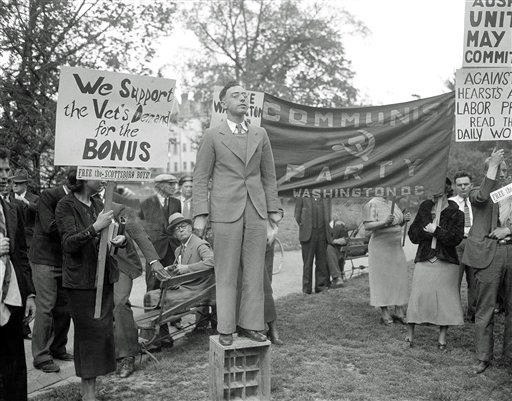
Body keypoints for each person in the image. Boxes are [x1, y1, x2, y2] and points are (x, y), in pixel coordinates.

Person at [193, 81, 282, 346]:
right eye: (235, 96)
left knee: (254, 271)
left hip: (256, 209)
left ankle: (251, 326)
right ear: (224, 103)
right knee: (226, 271)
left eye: (245, 96)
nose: (242, 99)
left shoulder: (260, 134)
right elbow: (200, 177)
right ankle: (226, 328)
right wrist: (200, 213)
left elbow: (269, 176)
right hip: (224, 210)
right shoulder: (212, 135)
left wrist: (273, 210)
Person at [55, 173, 126, 401]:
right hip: (81, 282)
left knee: (101, 335)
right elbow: (68, 243)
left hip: (103, 277)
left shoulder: (97, 203)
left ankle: (91, 391)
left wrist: (119, 239)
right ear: (84, 177)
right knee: (87, 337)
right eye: (98, 173)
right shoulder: (66, 205)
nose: (103, 178)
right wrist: (95, 227)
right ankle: (88, 395)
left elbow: (106, 234)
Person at [461, 149, 512, 374]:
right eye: (499, 169)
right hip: (487, 256)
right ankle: (483, 357)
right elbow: (483, 196)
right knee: (486, 309)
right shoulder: (476, 192)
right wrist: (493, 165)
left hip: (510, 251)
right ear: (488, 171)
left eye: (505, 170)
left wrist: (508, 230)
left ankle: (509, 356)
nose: (503, 173)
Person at [406, 178, 464, 349]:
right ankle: (409, 336)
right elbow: (413, 234)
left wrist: (437, 231)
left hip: (446, 261)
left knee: (445, 299)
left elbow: (455, 239)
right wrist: (428, 231)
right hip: (425, 258)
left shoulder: (456, 213)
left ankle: (442, 339)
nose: (433, 194)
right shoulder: (425, 208)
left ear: (446, 191)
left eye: (437, 190)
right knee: (418, 296)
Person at [0, 147, 36, 401]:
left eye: (6, 170)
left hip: (11, 297)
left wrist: (30, 294)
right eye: (0, 170)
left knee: (13, 364)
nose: (5, 176)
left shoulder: (11, 208)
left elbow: (21, 254)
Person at [29, 182, 73, 373]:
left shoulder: (80, 197)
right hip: (44, 259)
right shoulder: (49, 195)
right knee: (46, 307)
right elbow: (49, 227)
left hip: (64, 260)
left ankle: (57, 348)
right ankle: (41, 356)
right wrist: (80, 228)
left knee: (64, 307)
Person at [144, 212, 214, 318]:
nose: (181, 230)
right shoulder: (178, 249)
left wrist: (187, 268)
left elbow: (212, 262)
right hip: (184, 287)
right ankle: (158, 326)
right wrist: (169, 270)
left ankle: (156, 326)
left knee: (152, 298)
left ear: (190, 227)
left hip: (198, 289)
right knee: (150, 296)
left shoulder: (200, 244)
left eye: (183, 226)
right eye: (177, 229)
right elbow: (179, 270)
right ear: (174, 235)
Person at [362, 197, 410, 324]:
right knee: (382, 279)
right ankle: (385, 313)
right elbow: (367, 226)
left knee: (398, 278)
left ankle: (399, 311)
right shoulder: (371, 204)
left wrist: (404, 220)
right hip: (380, 247)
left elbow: (396, 223)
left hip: (395, 247)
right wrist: (384, 222)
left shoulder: (392, 203)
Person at [139, 173, 181, 291]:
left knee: (172, 283)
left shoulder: (176, 202)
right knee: (153, 283)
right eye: (170, 184)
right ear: (159, 186)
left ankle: (167, 303)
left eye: (174, 184)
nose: (174, 187)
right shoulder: (146, 202)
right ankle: (151, 303)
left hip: (172, 248)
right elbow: (140, 226)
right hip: (154, 249)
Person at [449, 170, 476, 322]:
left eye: (466, 184)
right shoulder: (450, 203)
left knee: (474, 280)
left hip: (474, 243)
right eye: (459, 185)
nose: (463, 187)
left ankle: (473, 313)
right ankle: (455, 314)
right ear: (454, 186)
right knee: (454, 280)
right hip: (457, 243)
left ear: (471, 185)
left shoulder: (477, 201)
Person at [294, 196, 332, 294]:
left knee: (321, 261)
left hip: (322, 233)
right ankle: (306, 289)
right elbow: (297, 215)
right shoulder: (302, 195)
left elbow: (329, 215)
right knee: (307, 263)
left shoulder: (326, 196)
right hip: (308, 234)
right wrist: (305, 226)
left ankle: (321, 287)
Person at [11, 168, 39, 249]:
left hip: (29, 244)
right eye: (14, 182)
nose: (15, 185)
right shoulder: (8, 198)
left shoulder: (35, 199)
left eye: (18, 183)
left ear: (26, 184)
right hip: (12, 242)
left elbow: (40, 212)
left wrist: (27, 203)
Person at [326, 219, 349, 287]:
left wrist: (332, 241)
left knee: (329, 249)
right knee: (329, 249)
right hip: (337, 251)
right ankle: (337, 277)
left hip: (339, 251)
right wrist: (333, 241)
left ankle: (337, 278)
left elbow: (344, 240)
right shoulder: (330, 226)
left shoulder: (339, 225)